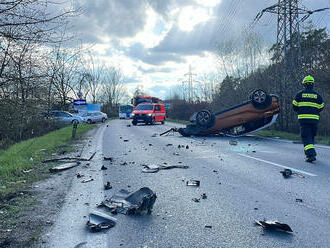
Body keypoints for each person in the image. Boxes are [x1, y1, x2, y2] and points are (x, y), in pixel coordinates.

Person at [292, 75, 325, 162]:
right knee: (311, 136)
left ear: (304, 84)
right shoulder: (318, 96)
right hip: (314, 120)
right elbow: (321, 107)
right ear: (313, 84)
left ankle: (311, 155)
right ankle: (310, 153)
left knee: (306, 137)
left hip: (304, 120)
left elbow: (294, 106)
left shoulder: (299, 95)